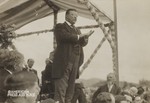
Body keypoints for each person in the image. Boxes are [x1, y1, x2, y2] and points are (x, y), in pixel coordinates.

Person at [52, 9, 94, 103]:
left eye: (76, 16)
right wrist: (80, 36)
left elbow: (81, 43)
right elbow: (63, 36)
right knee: (61, 90)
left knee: (70, 90)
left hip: (76, 61)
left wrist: (85, 39)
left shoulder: (77, 29)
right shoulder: (60, 26)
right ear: (66, 16)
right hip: (64, 62)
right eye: (73, 15)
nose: (75, 17)